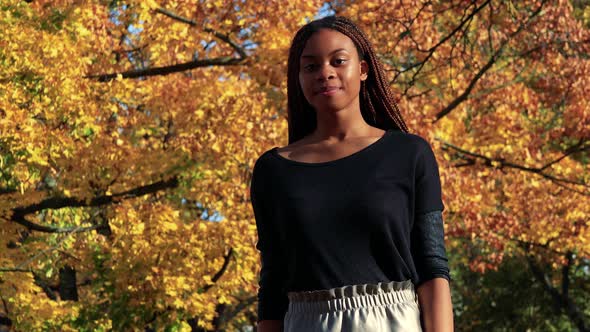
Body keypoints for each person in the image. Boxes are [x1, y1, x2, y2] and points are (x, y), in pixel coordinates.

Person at [250, 16, 453, 332]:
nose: (325, 73)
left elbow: (432, 268)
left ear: (363, 68)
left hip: (392, 321)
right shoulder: (274, 171)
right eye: (311, 66)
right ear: (298, 78)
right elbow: (272, 285)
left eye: (338, 61)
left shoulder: (409, 154)